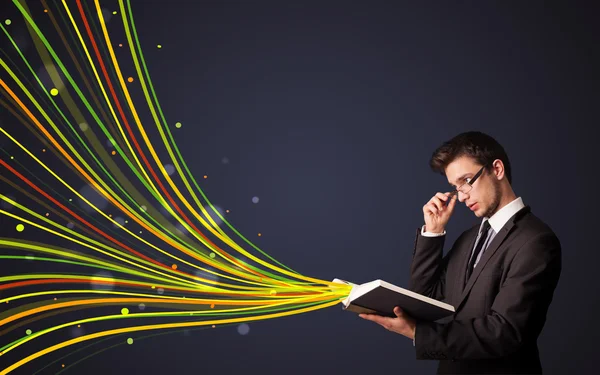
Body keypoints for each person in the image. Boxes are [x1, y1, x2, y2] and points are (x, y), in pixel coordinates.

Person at [359, 131, 562, 374]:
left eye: (467, 181)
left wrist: (417, 333)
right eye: (456, 187)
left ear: (497, 169)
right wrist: (433, 232)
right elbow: (425, 298)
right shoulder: (468, 238)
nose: (462, 196)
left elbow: (505, 331)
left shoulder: (536, 241)